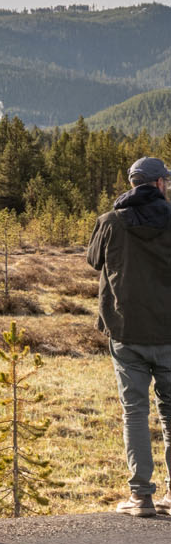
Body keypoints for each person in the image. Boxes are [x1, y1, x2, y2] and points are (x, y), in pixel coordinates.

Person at [87, 156, 171, 517]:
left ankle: (141, 497)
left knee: (134, 412)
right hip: (168, 331)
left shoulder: (110, 221)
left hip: (126, 329)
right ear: (159, 184)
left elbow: (93, 260)